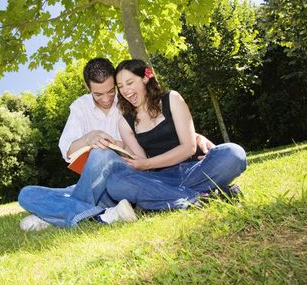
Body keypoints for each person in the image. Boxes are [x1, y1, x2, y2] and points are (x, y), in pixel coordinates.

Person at [18, 58, 215, 231]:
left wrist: (196, 136)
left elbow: (159, 129)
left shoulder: (130, 99)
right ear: (88, 88)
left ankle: (61, 215)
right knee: (27, 194)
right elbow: (67, 151)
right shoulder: (80, 107)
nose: (106, 99)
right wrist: (89, 138)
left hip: (126, 179)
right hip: (94, 185)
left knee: (100, 154)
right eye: (98, 94)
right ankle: (102, 215)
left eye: (111, 91)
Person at [102, 59, 246, 211]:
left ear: (145, 78)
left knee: (233, 153)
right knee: (115, 182)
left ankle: (163, 199)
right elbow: (142, 164)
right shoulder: (125, 123)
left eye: (130, 83)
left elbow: (188, 148)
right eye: (121, 86)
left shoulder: (172, 99)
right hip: (161, 179)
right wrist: (123, 153)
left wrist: (147, 165)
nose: (125, 90)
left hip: (194, 169)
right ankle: (203, 198)